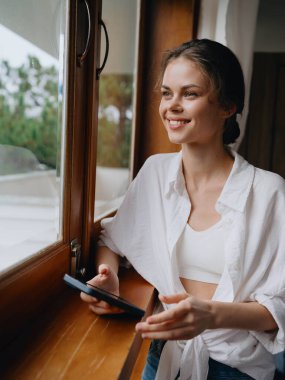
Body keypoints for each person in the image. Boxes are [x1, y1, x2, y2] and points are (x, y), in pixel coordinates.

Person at [80, 39, 285, 379]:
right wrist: (110, 278)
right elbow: (113, 240)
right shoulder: (155, 172)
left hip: (238, 365)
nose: (172, 106)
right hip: (163, 354)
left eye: (189, 94)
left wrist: (213, 315)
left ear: (228, 106)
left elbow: (279, 306)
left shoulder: (269, 192)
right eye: (166, 93)